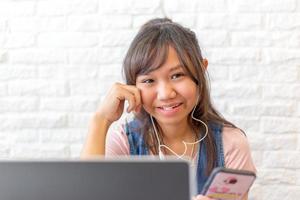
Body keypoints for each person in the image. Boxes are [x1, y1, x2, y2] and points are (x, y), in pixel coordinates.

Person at [81, 18, 256, 200]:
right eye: (149, 80)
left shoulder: (230, 143)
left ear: (201, 71)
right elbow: (86, 194)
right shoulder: (123, 141)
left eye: (177, 75)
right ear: (134, 87)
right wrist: (100, 120)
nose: (165, 94)